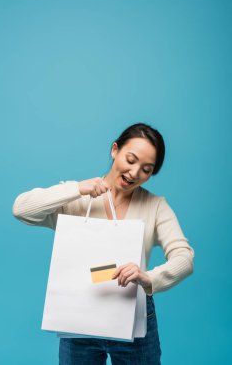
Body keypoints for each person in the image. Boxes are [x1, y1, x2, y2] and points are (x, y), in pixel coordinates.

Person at [12, 122, 195, 365]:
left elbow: (184, 257)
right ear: (114, 150)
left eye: (146, 169)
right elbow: (22, 209)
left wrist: (149, 278)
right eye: (130, 159)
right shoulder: (76, 198)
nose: (134, 173)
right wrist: (77, 189)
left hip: (134, 314)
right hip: (79, 311)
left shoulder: (156, 205)